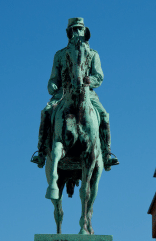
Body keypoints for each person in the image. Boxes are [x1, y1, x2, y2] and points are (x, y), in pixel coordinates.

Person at [32, 17, 118, 171]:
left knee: (104, 115)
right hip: (62, 94)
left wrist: (89, 80)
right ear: (69, 32)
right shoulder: (60, 55)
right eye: (74, 29)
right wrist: (52, 86)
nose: (77, 32)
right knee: (45, 112)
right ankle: (41, 152)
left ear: (85, 31)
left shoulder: (92, 54)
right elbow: (53, 78)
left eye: (80, 29)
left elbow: (99, 76)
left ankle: (106, 154)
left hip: (87, 94)